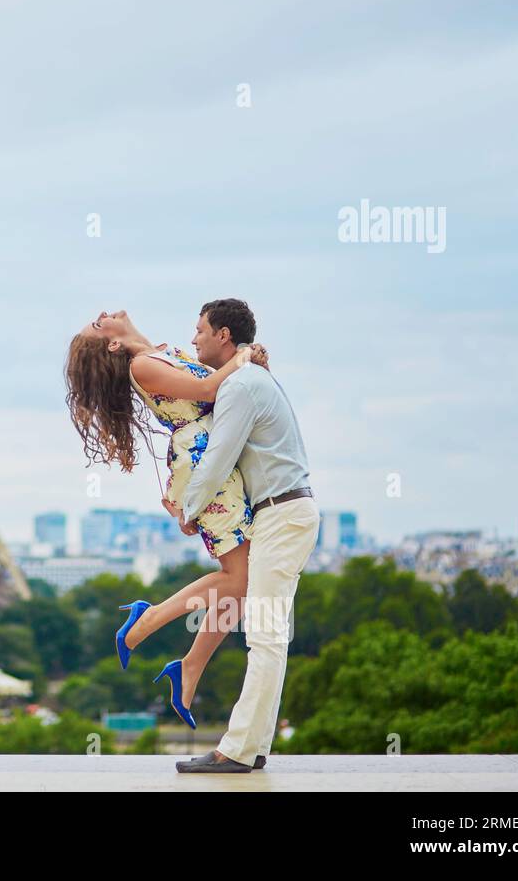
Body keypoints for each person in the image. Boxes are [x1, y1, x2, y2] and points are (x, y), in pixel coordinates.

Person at [64, 309, 268, 730]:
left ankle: (189, 669)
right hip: (205, 461)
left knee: (239, 583)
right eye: (98, 325)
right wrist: (245, 356)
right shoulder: (142, 365)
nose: (102, 315)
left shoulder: (160, 353)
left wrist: (246, 361)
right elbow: (210, 388)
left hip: (212, 457)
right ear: (114, 344)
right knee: (239, 579)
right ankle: (150, 619)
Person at [173, 298, 318, 773]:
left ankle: (236, 750)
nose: (193, 339)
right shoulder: (253, 379)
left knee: (265, 638)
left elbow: (218, 456)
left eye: (199, 331)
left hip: (280, 514)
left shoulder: (239, 386)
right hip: (285, 511)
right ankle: (251, 748)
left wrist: (189, 509)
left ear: (223, 336)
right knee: (268, 638)